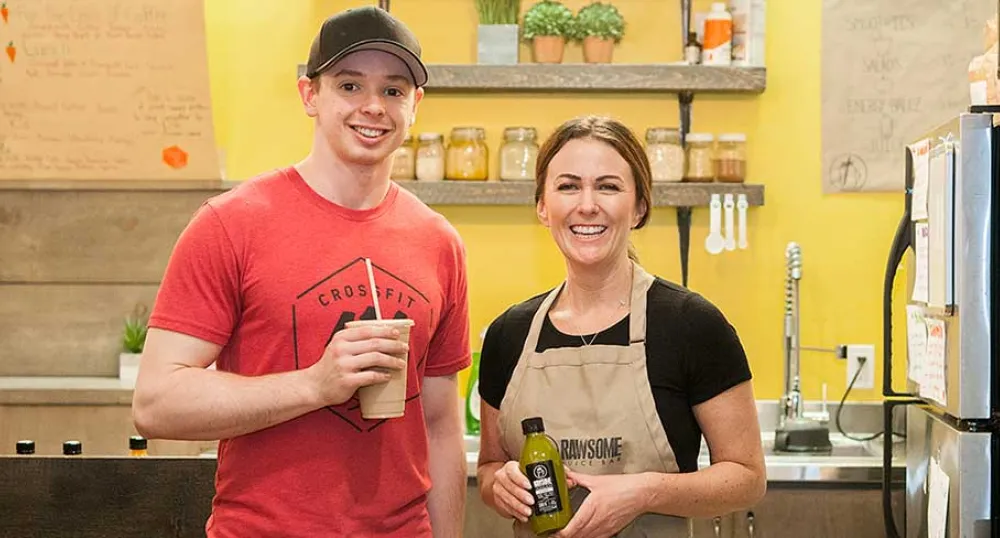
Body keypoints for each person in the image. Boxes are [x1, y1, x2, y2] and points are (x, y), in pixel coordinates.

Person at [132, 7, 470, 538]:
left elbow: (440, 424)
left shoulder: (439, 242)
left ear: (415, 106)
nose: (373, 106)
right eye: (350, 85)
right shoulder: (231, 224)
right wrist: (314, 385)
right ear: (310, 95)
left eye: (393, 90)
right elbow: (156, 404)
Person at [476, 115, 766, 538]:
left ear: (640, 208)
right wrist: (498, 486)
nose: (587, 204)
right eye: (568, 186)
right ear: (542, 207)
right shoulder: (508, 335)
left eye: (608, 187)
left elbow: (747, 477)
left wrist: (644, 492)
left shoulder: (692, 325)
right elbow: (489, 466)